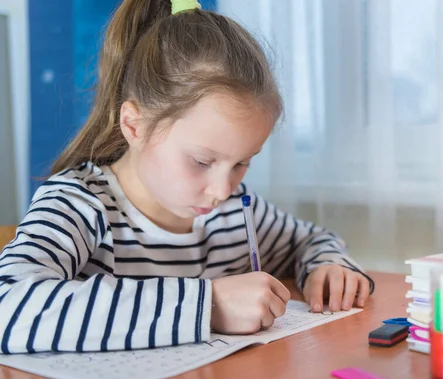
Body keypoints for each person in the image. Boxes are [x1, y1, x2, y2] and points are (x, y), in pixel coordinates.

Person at [0, 0, 374, 354]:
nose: (222, 189)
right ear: (135, 125)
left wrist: (329, 267)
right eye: (200, 161)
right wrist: (207, 306)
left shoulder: (232, 211)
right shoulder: (79, 204)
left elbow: (310, 240)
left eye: (242, 162)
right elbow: (8, 309)